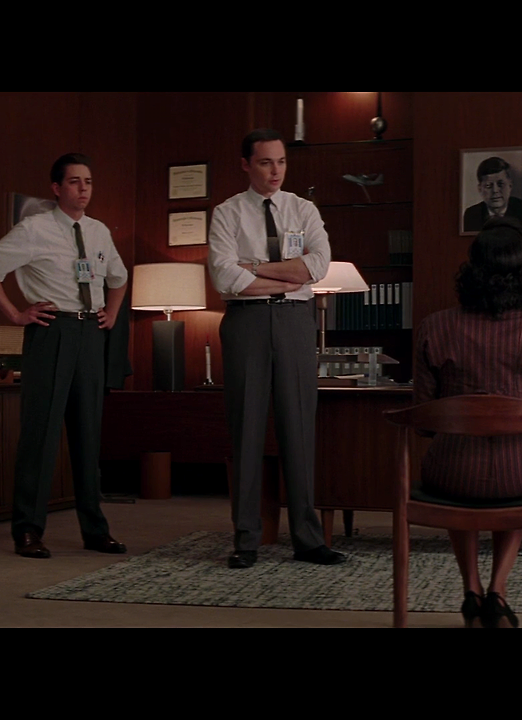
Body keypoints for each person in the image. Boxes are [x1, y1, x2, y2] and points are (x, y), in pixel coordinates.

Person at [413, 216, 522, 627]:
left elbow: (423, 420)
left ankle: (472, 590)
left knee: (460, 475)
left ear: (472, 270)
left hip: (451, 472)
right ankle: (498, 593)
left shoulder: (434, 326)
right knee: (520, 473)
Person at [0, 153, 129, 559]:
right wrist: (15, 314)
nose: (83, 189)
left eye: (88, 182)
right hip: (51, 330)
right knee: (40, 434)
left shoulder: (98, 231)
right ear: (57, 188)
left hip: (90, 334)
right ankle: (27, 530)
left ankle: (95, 530)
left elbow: (119, 278)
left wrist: (112, 314)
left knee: (88, 434)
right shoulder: (34, 229)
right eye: (75, 182)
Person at [207, 128, 346, 569]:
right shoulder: (227, 213)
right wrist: (286, 276)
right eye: (266, 162)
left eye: (281, 162)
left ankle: (308, 539)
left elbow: (317, 267)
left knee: (299, 427)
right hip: (246, 322)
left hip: (294, 322)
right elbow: (225, 277)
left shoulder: (303, 210)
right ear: (246, 165)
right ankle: (246, 539)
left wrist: (256, 268)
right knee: (246, 428)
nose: (275, 171)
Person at [462, 156, 522, 232]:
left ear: (510, 186)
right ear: (480, 189)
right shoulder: (471, 214)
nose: (495, 190)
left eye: (500, 184)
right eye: (488, 185)